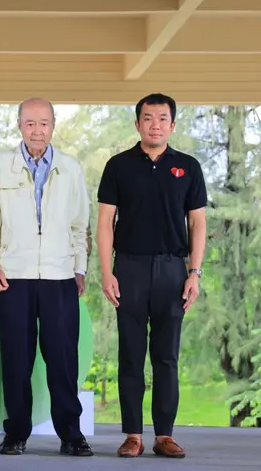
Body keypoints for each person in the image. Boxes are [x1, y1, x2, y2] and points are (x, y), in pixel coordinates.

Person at [0, 97, 93, 457]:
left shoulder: (70, 169)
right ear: (18, 125)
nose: (36, 130)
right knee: (16, 360)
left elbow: (79, 225)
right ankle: (16, 433)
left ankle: (71, 435)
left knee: (62, 360)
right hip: (14, 277)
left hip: (59, 277)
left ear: (53, 125)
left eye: (43, 123)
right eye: (30, 123)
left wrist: (80, 268)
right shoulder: (1, 166)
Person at [97, 93, 207, 459]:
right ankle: (132, 435)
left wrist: (194, 272)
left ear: (172, 125)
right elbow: (105, 222)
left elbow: (197, 222)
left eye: (162, 118)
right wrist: (106, 271)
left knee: (166, 356)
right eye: (148, 118)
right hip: (128, 268)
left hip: (173, 270)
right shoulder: (118, 166)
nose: (155, 124)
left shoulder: (188, 167)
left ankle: (164, 436)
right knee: (130, 355)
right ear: (138, 123)